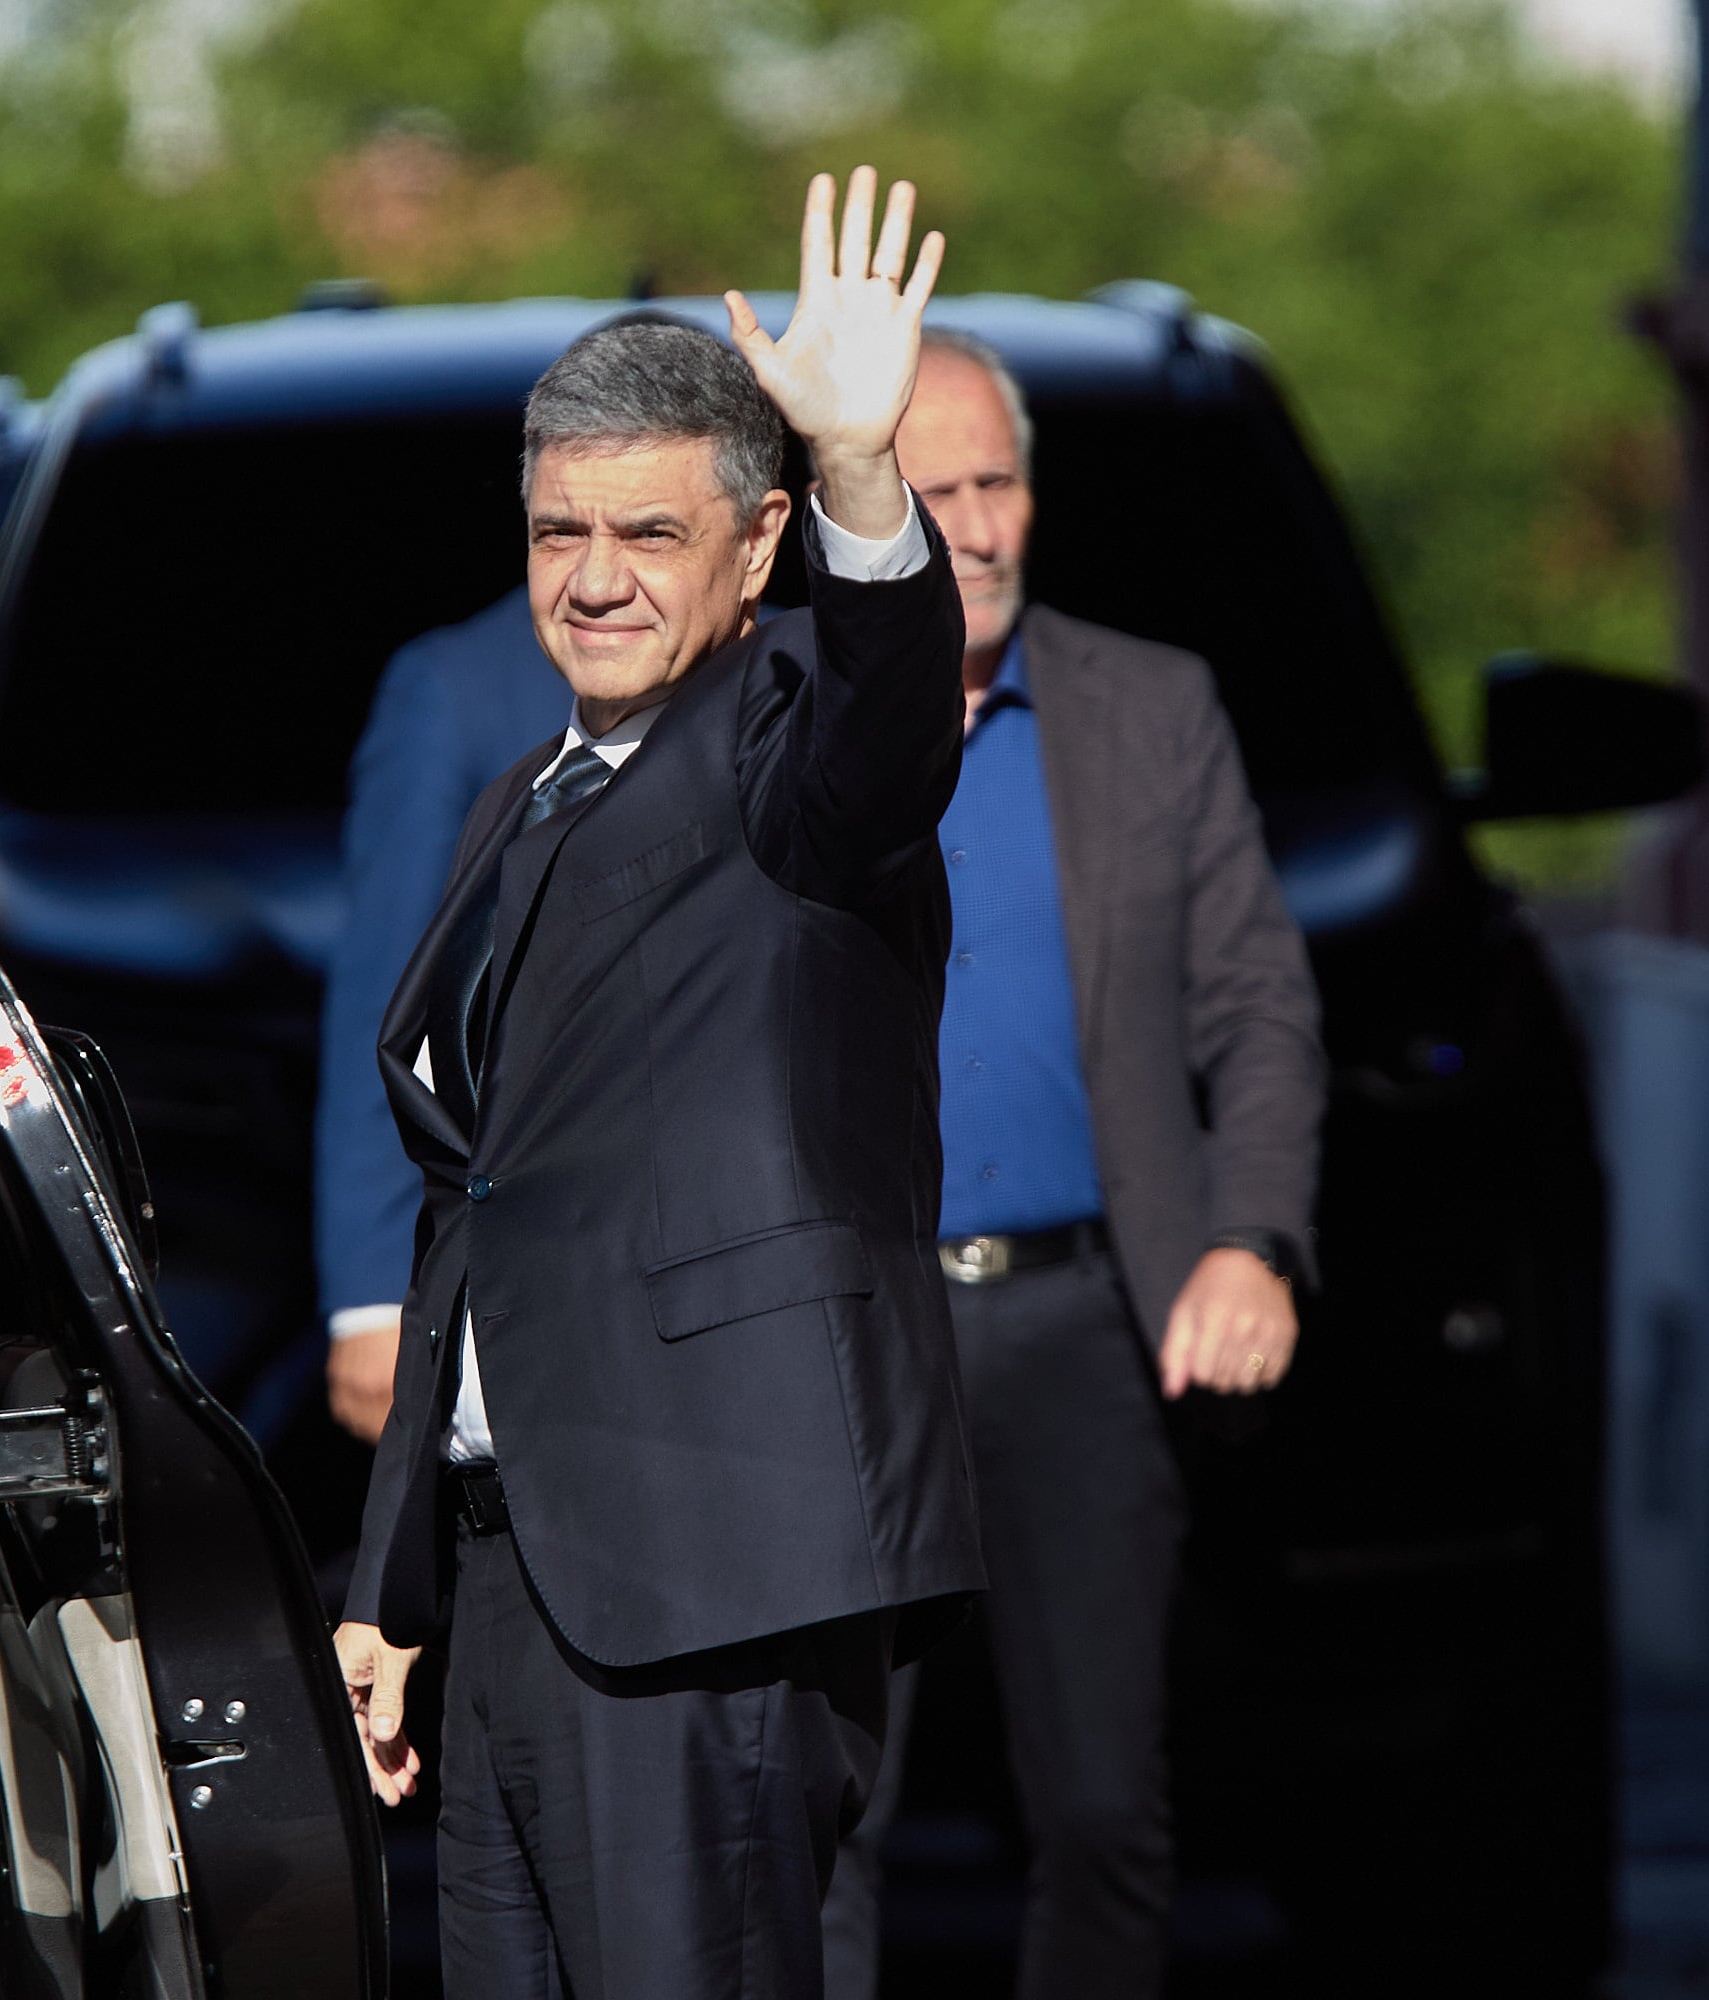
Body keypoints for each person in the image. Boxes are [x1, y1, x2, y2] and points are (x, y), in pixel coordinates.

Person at [330, 168, 984, 1997]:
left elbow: (886, 734)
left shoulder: (783, 755)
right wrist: (392, 1587)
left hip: (711, 1573)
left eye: (648, 533)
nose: (595, 577)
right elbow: (480, 1207)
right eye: (560, 532)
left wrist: (861, 471)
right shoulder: (520, 794)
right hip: (517, 1587)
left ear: (756, 550)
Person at [818, 331, 1327, 1999]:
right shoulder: (776, 713)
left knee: (1107, 1807)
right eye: (932, 491)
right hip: (848, 1334)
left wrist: (1252, 1237)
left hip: (1089, 1327)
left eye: (998, 484)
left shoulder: (1149, 707)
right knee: (828, 1815)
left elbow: (1258, 1004)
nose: (974, 526)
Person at [315, 586, 561, 1444]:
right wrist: (376, 1293)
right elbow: (392, 998)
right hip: (547, 1264)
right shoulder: (463, 685)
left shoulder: (813, 668)